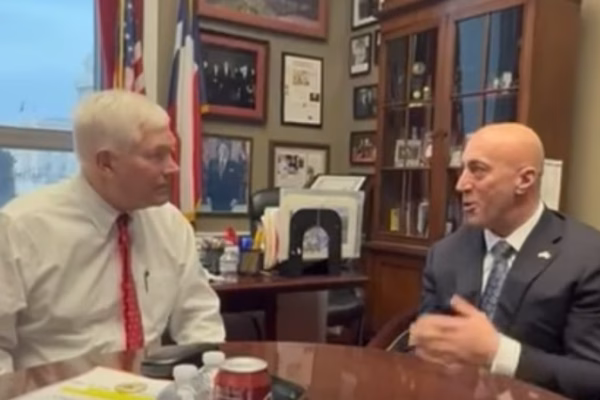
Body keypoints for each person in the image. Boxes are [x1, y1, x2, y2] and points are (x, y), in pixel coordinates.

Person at [0, 90, 225, 373]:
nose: (173, 168)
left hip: (151, 385)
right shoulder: (19, 228)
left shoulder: (170, 224)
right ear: (106, 163)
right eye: (157, 155)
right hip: (56, 387)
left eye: (171, 153)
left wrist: (208, 379)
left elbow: (198, 318)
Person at [409, 123, 600, 399]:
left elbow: (592, 375)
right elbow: (426, 349)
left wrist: (499, 353)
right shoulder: (445, 254)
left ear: (524, 180)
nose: (461, 184)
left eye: (478, 170)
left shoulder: (587, 257)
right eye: (463, 169)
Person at [205, 141, 242, 212]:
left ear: (228, 151)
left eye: (225, 149)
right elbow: (209, 181)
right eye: (221, 149)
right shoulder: (212, 163)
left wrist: (236, 198)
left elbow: (237, 182)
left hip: (228, 200)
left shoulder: (234, 165)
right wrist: (208, 196)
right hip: (215, 198)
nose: (223, 151)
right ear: (218, 151)